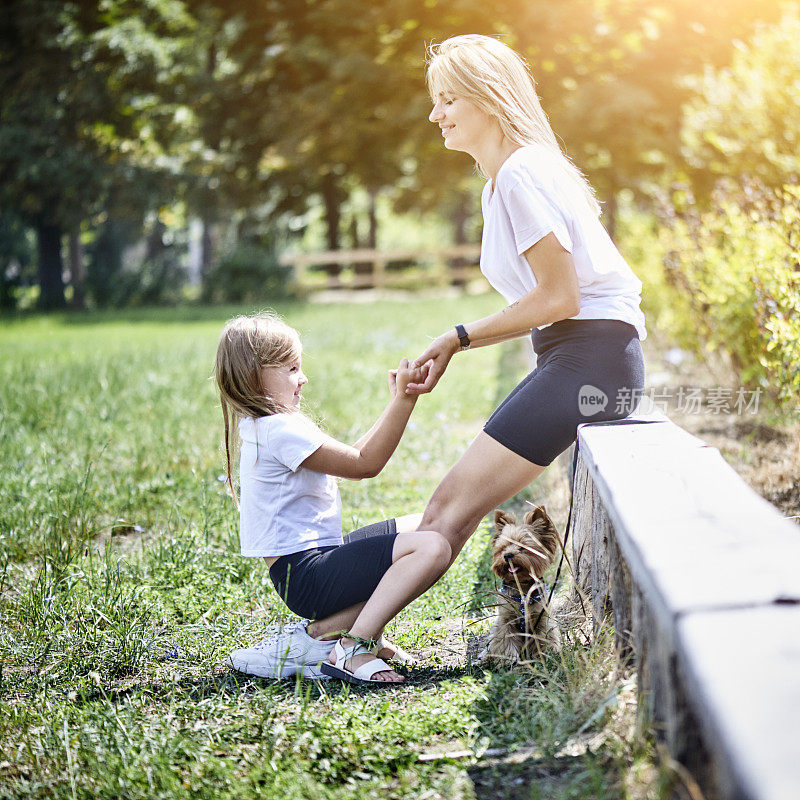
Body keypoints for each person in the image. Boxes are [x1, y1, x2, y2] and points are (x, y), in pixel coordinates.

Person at [406, 34, 646, 562]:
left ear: (488, 97)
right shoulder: (502, 181)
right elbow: (548, 303)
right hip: (575, 357)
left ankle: (340, 637)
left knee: (447, 510)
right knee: (450, 511)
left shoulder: (520, 174)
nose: (434, 114)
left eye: (448, 99)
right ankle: (346, 633)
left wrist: (458, 336)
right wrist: (456, 342)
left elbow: (560, 297)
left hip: (592, 362)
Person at [215, 312, 450, 685]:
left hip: (311, 567)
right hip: (308, 576)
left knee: (431, 526)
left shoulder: (274, 424)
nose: (303, 377)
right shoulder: (278, 429)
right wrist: (405, 400)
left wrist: (395, 401)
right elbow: (365, 464)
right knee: (431, 548)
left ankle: (334, 635)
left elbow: (353, 454)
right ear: (254, 375)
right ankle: (353, 646)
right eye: (292, 368)